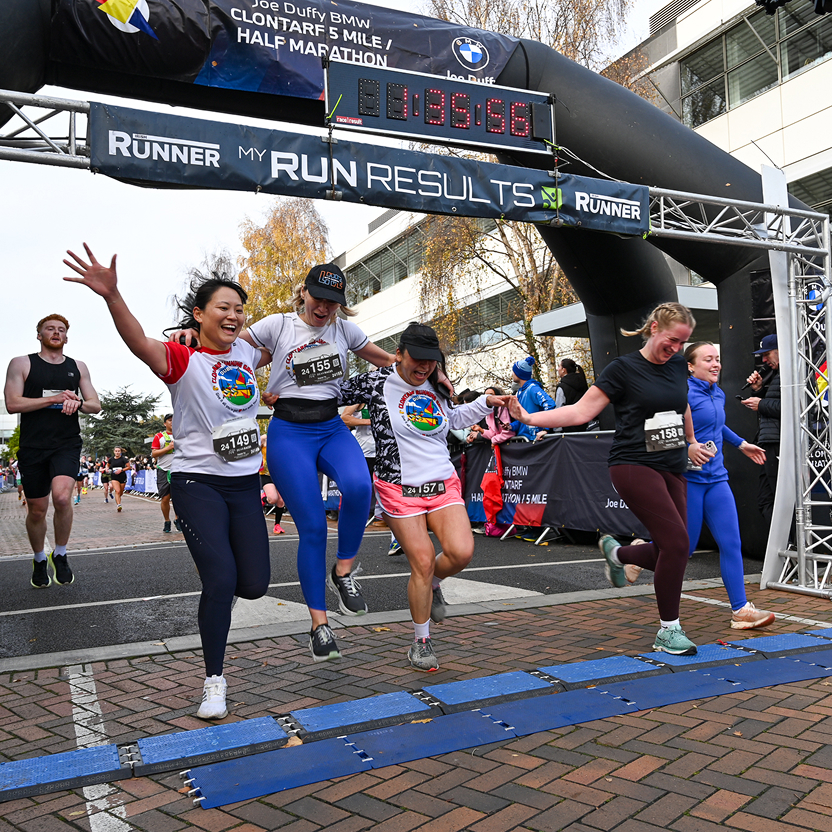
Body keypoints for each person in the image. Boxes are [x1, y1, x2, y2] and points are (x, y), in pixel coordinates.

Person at [64, 242, 272, 720]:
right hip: (197, 483)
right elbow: (139, 340)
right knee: (220, 580)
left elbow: (296, 333)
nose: (235, 316)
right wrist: (113, 296)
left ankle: (220, 592)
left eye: (240, 309)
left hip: (244, 484)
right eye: (224, 307)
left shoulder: (246, 350)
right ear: (199, 314)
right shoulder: (181, 359)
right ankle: (214, 681)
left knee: (256, 584)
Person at [510, 302, 710, 656]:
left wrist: (692, 441)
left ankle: (617, 554)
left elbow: (683, 406)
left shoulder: (678, 365)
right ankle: (669, 630)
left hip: (673, 462)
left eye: (683, 343)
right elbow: (580, 411)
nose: (676, 349)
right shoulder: (623, 369)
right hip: (633, 464)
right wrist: (528, 416)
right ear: (653, 328)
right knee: (677, 543)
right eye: (672, 340)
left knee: (675, 548)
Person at [228, 263, 396, 662]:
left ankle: (343, 572)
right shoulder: (278, 324)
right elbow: (232, 349)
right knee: (314, 528)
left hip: (330, 426)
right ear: (304, 292)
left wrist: (430, 373)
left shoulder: (344, 330)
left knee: (360, 488)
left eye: (333, 302)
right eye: (319, 298)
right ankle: (319, 625)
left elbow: (388, 361)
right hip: (290, 431)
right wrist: (254, 383)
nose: (324, 308)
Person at [339, 323, 510, 671]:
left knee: (461, 552)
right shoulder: (375, 382)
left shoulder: (436, 382)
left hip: (441, 482)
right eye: (417, 359)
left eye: (431, 361)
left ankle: (432, 587)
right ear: (399, 354)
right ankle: (421, 641)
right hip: (399, 487)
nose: (424, 367)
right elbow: (328, 396)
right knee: (422, 560)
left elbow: (451, 419)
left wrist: (485, 403)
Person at [4, 313, 101, 588]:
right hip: (33, 446)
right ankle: (38, 558)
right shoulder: (22, 363)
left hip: (66, 443)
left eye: (61, 330)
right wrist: (54, 399)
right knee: (36, 509)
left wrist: (78, 403)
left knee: (61, 498)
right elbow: (13, 403)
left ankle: (60, 553)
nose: (56, 333)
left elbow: (95, 404)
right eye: (50, 329)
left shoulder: (77, 366)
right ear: (39, 334)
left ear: (66, 337)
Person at [685, 342, 775, 629]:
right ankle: (628, 553)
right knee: (682, 547)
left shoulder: (717, 392)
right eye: (708, 359)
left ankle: (740, 611)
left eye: (717, 359)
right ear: (690, 366)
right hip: (688, 480)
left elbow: (716, 425)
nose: (715, 364)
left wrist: (741, 444)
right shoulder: (681, 394)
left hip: (716, 478)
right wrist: (687, 448)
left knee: (731, 543)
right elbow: (662, 434)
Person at [741, 333, 781, 528]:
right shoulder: (778, 375)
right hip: (769, 443)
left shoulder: (796, 374)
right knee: (766, 500)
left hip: (779, 444)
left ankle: (792, 546)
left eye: (767, 354)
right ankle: (784, 547)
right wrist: (758, 390)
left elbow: (799, 409)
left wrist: (762, 403)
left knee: (777, 499)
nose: (764, 360)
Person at [509, 356, 555, 441]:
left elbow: (549, 404)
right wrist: (510, 426)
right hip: (524, 440)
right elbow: (521, 419)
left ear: (519, 374)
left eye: (514, 371)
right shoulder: (520, 392)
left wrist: (546, 430)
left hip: (536, 439)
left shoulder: (532, 388)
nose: (512, 374)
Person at [151, 414, 181, 533]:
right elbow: (154, 454)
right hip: (163, 470)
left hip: (178, 470)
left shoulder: (181, 435)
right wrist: (168, 448)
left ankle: (178, 519)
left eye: (174, 420)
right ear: (165, 423)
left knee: (178, 498)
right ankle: (167, 520)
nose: (172, 422)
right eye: (169, 420)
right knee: (165, 498)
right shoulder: (159, 436)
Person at [259, 435, 286, 534]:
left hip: (279, 474)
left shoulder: (282, 439)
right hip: (266, 474)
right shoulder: (264, 439)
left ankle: (277, 525)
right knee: (273, 499)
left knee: (281, 501)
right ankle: (263, 498)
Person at [555, 359, 591, 432]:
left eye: (559, 366)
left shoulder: (562, 387)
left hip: (568, 429)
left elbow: (558, 410)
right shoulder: (583, 382)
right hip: (584, 426)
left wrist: (555, 429)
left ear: (563, 370)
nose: (557, 369)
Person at [110, 447, 131, 512]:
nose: (117, 452)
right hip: (114, 477)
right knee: (117, 491)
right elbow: (107, 465)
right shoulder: (111, 459)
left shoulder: (123, 459)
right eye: (116, 451)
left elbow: (129, 467)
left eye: (118, 451)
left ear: (120, 452)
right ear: (114, 452)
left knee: (121, 492)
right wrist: (107, 469)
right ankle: (119, 505)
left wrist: (121, 470)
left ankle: (118, 499)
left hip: (122, 477)